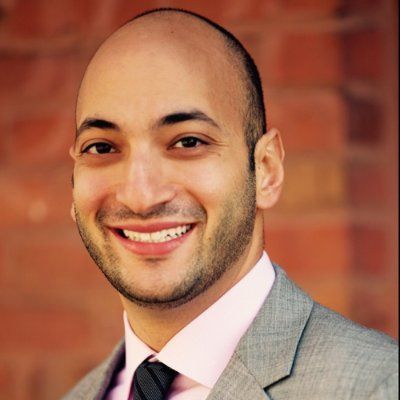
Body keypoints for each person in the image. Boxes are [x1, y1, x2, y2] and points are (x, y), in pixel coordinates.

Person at [63, 7, 398, 400]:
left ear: (267, 170)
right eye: (101, 147)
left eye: (188, 142)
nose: (141, 196)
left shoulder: (378, 385)